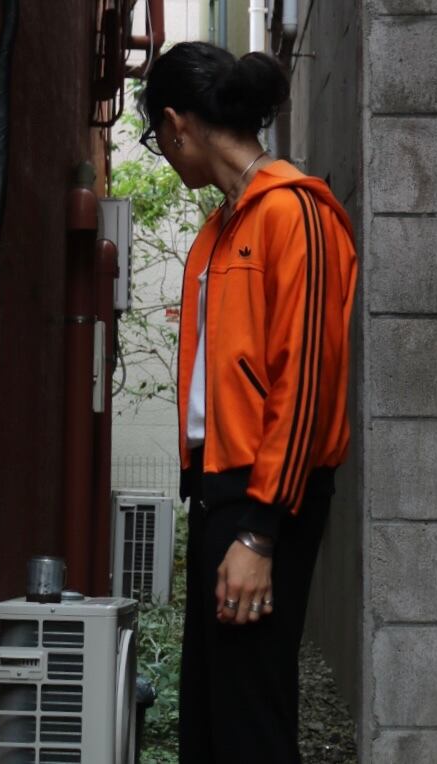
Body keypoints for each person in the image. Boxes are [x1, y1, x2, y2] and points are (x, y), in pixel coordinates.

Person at [139, 41, 357, 764]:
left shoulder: (295, 213)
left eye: (157, 138)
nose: (165, 152)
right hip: (218, 493)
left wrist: (260, 534)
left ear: (177, 124)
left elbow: (308, 381)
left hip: (266, 501)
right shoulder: (223, 227)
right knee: (211, 719)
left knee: (250, 723)